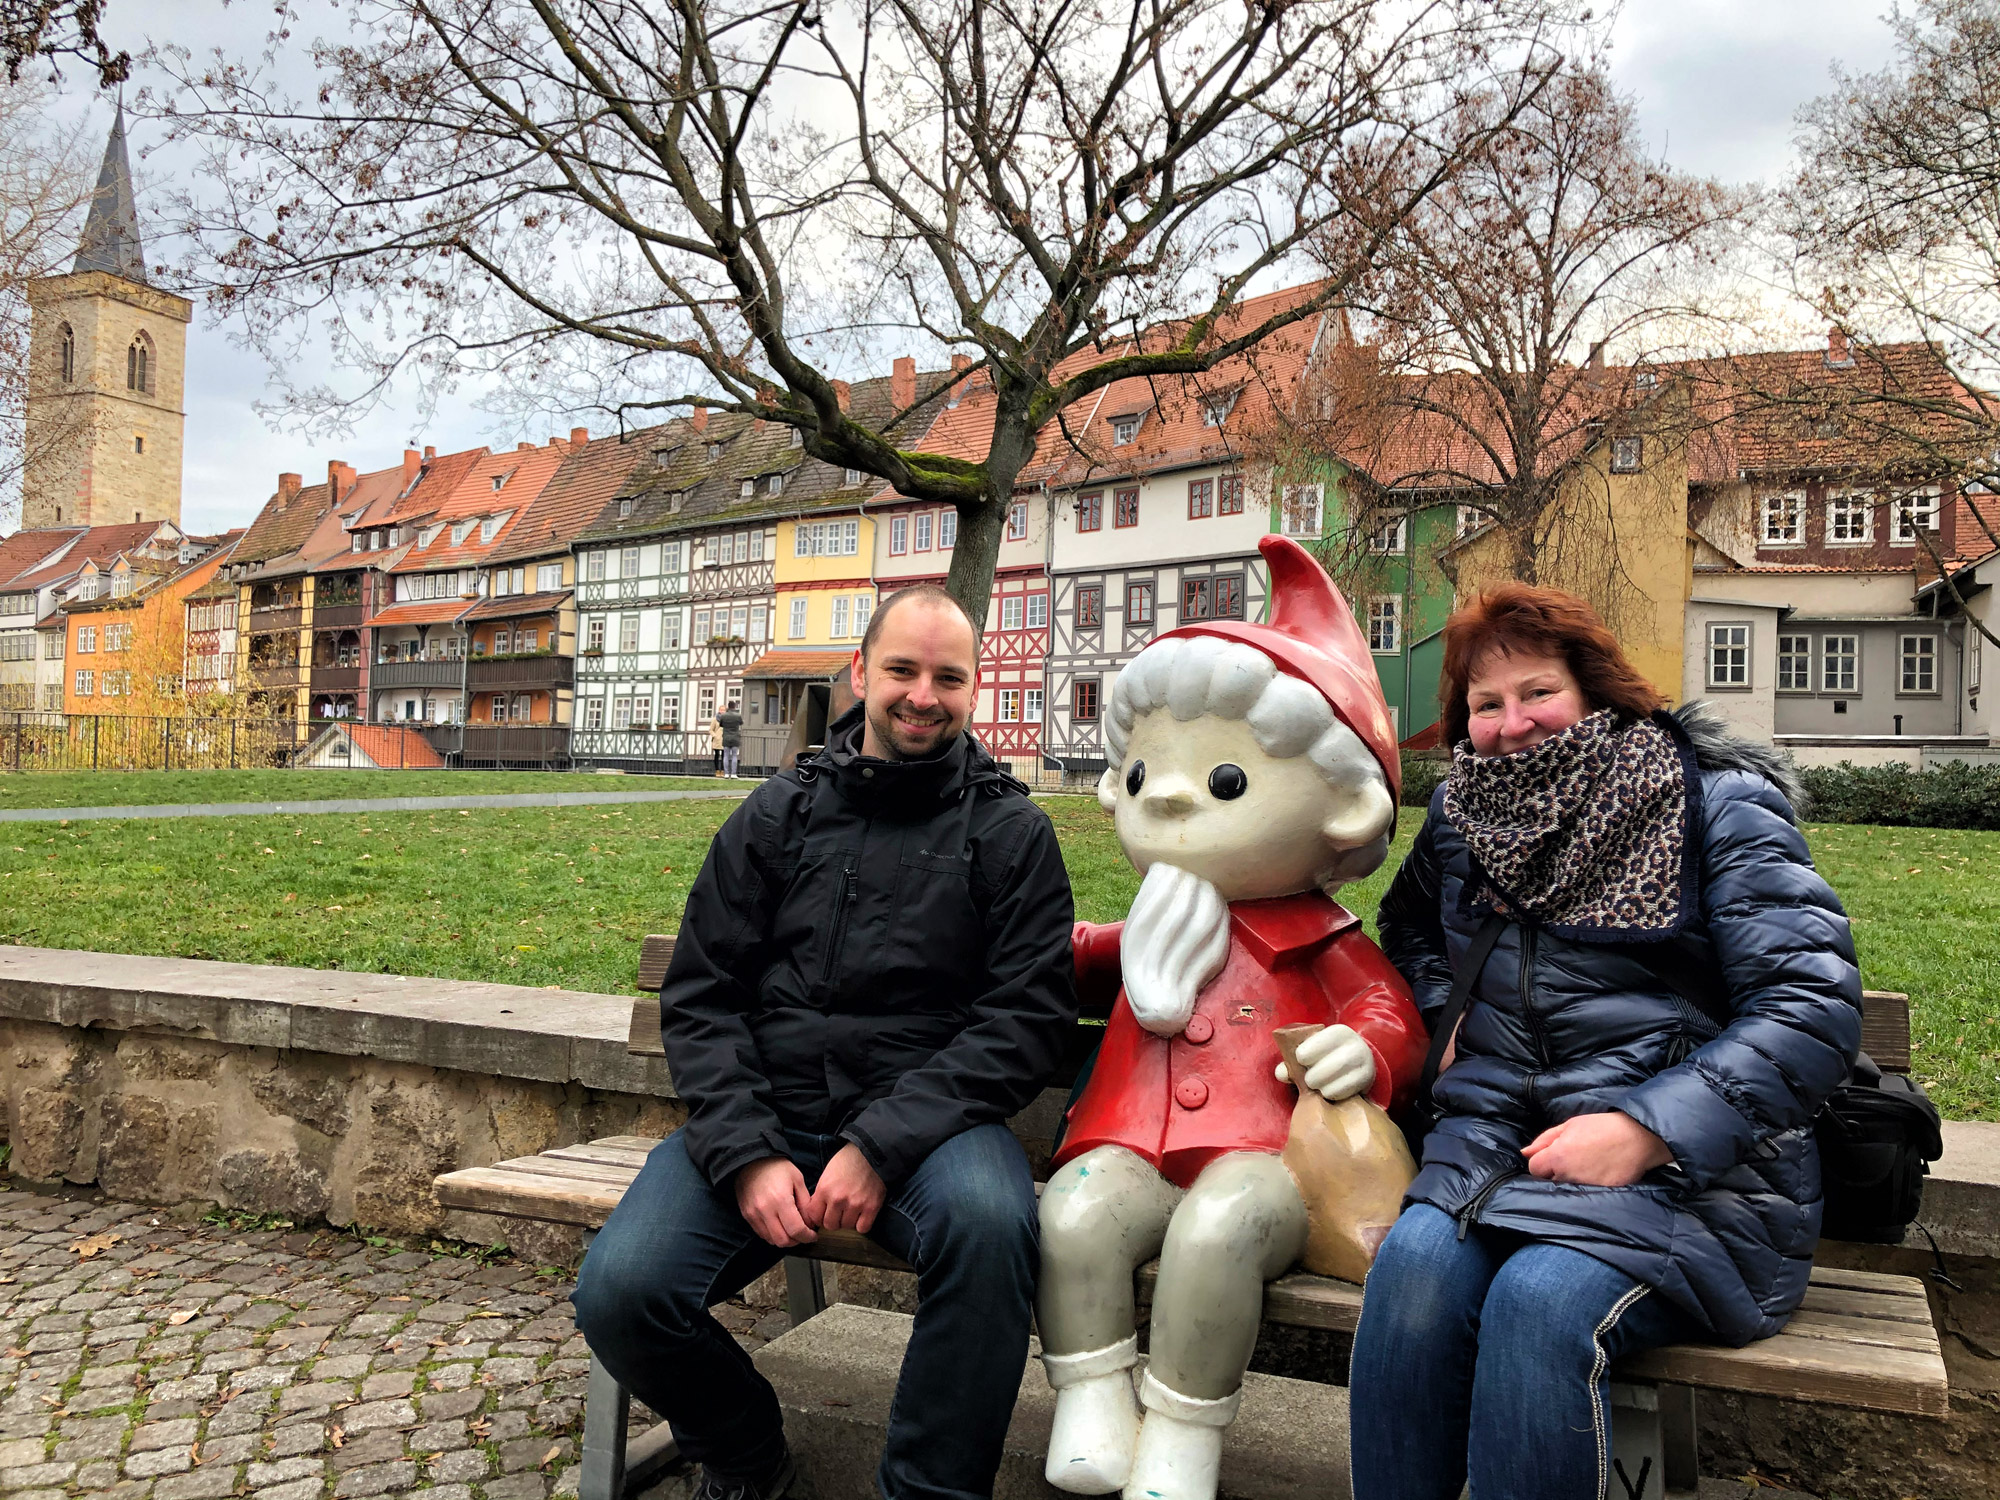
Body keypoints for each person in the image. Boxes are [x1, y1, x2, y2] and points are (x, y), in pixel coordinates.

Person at [1348, 584, 1861, 1500]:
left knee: (1540, 1303)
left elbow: (1808, 1006)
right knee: (1410, 1278)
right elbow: (1411, 925)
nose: (1513, 724)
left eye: (1537, 692)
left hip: (1693, 1183)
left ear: (1594, 689)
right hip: (1493, 1151)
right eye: (1486, 704)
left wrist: (1646, 1129)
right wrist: (1443, 1009)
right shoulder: (1469, 816)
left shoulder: (1711, 801)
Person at [571, 583, 1077, 1500]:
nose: (923, 694)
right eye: (903, 670)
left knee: (991, 1231)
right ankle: (748, 1456)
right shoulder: (777, 814)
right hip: (771, 1113)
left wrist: (880, 1145)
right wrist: (748, 1153)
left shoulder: (1010, 831)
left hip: (933, 1131)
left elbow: (1025, 1022)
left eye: (948, 677)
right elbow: (702, 994)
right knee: (622, 1290)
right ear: (860, 675)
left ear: (974, 691)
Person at [1038, 536, 1426, 1500]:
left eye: (1224, 781)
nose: (1164, 794)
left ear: (1340, 807)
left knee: (1218, 1234)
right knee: (1074, 1211)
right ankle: (1092, 1398)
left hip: (1264, 1160)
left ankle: (1180, 1430)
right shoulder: (1146, 927)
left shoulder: (1319, 936)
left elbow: (1389, 1011)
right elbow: (1064, 965)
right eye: (1142, 775)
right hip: (1129, 1144)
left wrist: (1364, 1049)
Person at [718, 702, 744, 778]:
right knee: (734, 756)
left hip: (726, 737)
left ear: (728, 707)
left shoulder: (723, 716)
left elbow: (721, 724)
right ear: (734, 707)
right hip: (735, 737)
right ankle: (733, 773)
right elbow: (741, 723)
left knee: (726, 755)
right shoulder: (738, 716)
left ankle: (726, 773)